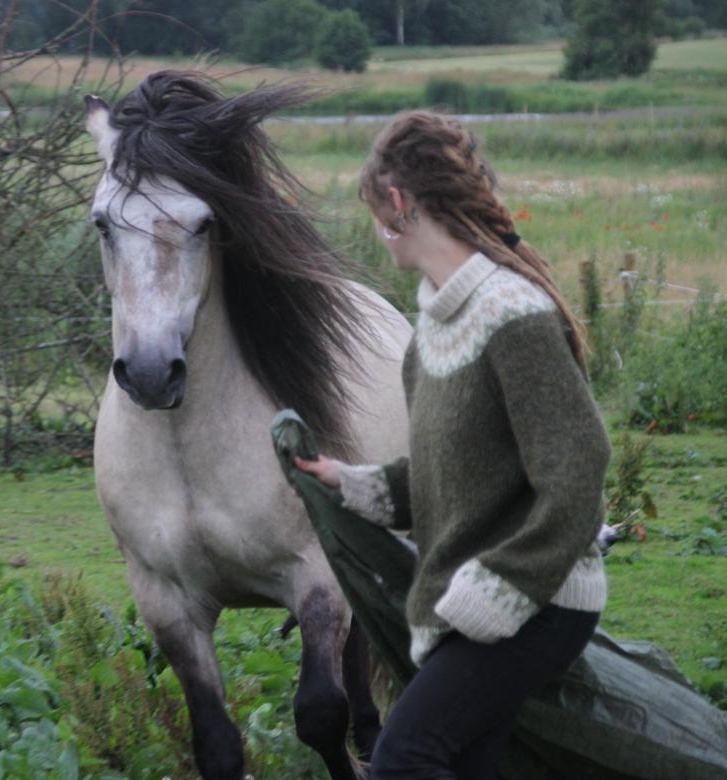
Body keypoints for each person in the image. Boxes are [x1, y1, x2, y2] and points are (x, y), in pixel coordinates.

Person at [294, 111, 610, 780]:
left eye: (375, 214)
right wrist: (348, 482)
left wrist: (500, 588)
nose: (378, 232)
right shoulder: (431, 334)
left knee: (403, 758)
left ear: (397, 204)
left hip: (540, 601)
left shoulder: (513, 314)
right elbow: (446, 476)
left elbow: (578, 473)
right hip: (468, 601)